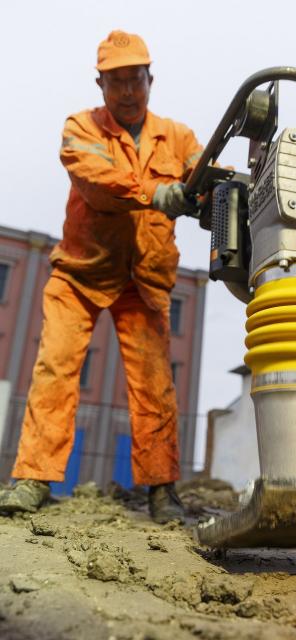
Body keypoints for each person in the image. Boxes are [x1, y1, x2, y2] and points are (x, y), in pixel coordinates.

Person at [0, 30, 203, 523]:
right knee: (56, 368)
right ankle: (33, 478)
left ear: (150, 79)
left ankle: (160, 490)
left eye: (135, 79)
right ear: (101, 85)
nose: (128, 91)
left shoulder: (177, 136)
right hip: (81, 271)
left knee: (156, 382)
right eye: (117, 82)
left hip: (145, 276)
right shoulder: (81, 127)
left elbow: (206, 174)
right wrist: (156, 194)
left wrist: (214, 185)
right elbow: (94, 179)